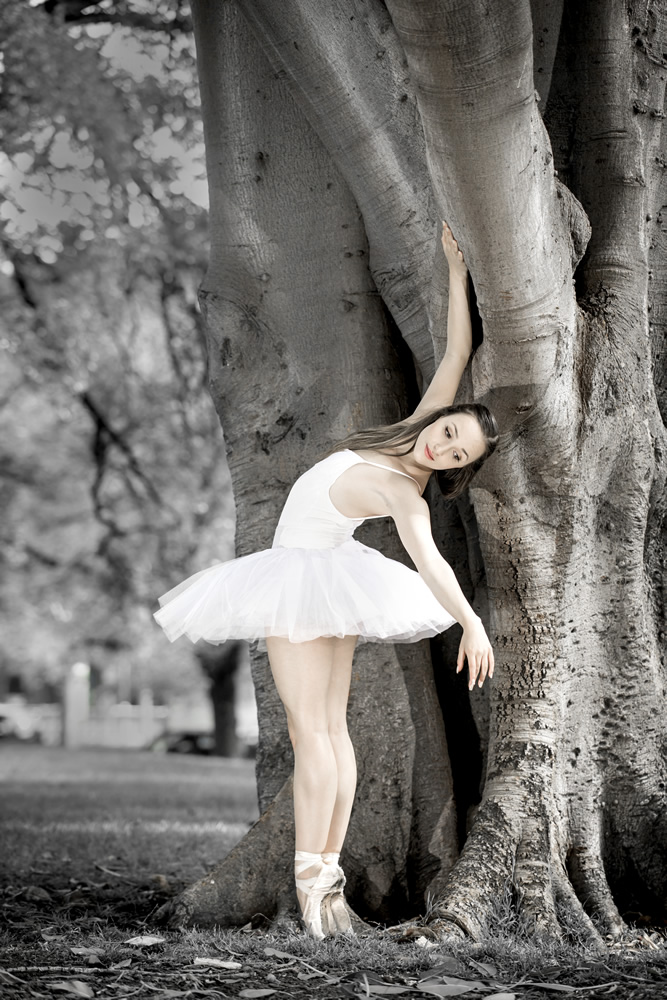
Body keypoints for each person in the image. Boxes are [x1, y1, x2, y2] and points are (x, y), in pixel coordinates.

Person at [154, 222, 499, 940]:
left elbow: (430, 561)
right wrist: (455, 275)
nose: (442, 441)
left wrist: (469, 623)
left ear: (455, 465)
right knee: (330, 739)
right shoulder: (409, 432)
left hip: (306, 580)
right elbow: (459, 352)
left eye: (455, 449)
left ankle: (315, 892)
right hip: (321, 577)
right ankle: (324, 888)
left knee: (319, 739)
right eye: (448, 428)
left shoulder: (406, 488)